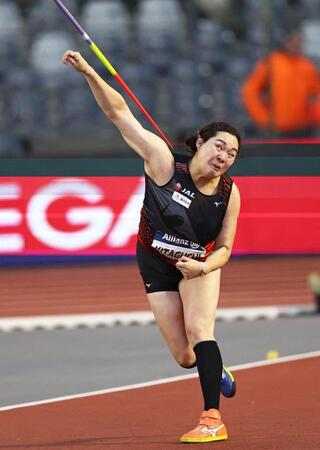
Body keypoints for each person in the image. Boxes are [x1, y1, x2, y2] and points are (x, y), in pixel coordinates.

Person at [62, 49, 241, 444]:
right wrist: (89, 71)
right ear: (200, 143)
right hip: (153, 260)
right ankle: (217, 370)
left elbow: (225, 248)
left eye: (231, 154)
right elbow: (120, 114)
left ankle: (213, 418)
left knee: (199, 329)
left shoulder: (230, 193)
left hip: (197, 264)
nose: (224, 156)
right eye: (219, 146)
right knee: (185, 357)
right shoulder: (162, 162)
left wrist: (204, 267)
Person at [242, 31, 320, 137]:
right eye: (292, 40)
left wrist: (315, 118)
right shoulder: (271, 63)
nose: (296, 44)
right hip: (278, 129)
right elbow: (250, 92)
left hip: (305, 128)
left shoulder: (307, 66)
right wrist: (262, 118)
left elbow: (316, 95)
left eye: (299, 40)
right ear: (285, 42)